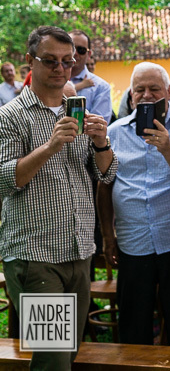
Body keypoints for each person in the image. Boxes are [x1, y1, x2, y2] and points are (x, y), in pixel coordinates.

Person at [0, 26, 117, 369]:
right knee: (53, 360)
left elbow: (107, 174)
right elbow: (5, 179)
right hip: (35, 254)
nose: (61, 69)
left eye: (68, 61)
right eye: (50, 61)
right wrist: (50, 146)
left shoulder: (77, 111)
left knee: (68, 354)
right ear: (29, 62)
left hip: (78, 251)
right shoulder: (10, 116)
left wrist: (101, 144)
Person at [98, 62, 170, 346]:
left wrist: (167, 146)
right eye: (139, 90)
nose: (145, 95)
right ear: (131, 95)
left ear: (168, 92)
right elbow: (104, 186)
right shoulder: (115, 132)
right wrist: (108, 237)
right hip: (134, 243)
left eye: (154, 89)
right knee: (134, 327)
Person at [69, 30, 113, 122]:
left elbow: (97, 126)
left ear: (88, 55)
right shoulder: (51, 80)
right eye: (71, 48)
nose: (75, 53)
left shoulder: (101, 87)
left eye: (81, 50)